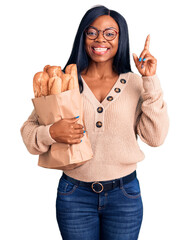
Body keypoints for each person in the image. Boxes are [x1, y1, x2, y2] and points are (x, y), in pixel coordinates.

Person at [20, 5, 169, 240]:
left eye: (110, 33)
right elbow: (29, 134)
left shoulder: (135, 84)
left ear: (121, 38)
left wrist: (149, 79)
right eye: (92, 32)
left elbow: (156, 137)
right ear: (83, 36)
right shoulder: (64, 81)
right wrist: (51, 133)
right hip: (74, 195)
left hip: (125, 196)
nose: (100, 39)